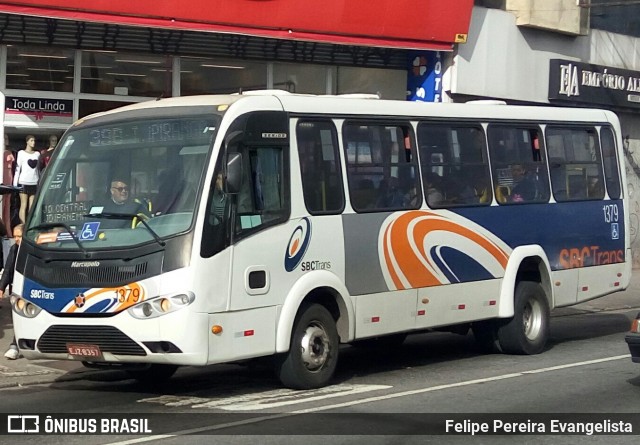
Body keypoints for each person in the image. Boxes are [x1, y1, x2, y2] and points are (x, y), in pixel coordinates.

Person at [1, 224, 23, 360]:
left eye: (19, 236)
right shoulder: (14, 249)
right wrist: (1, 287)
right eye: (14, 236)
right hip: (16, 288)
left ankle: (15, 345)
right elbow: (8, 268)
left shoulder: (32, 250)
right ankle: (14, 345)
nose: (16, 239)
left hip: (28, 288)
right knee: (17, 316)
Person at [13, 135, 40, 224]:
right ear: (27, 142)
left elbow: (38, 170)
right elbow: (18, 169)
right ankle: (22, 225)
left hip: (34, 181)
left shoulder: (37, 154)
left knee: (31, 206)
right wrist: (15, 184)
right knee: (23, 204)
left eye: (34, 140)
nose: (33, 142)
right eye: (31, 140)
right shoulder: (21, 153)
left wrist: (39, 181)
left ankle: (30, 225)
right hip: (23, 182)